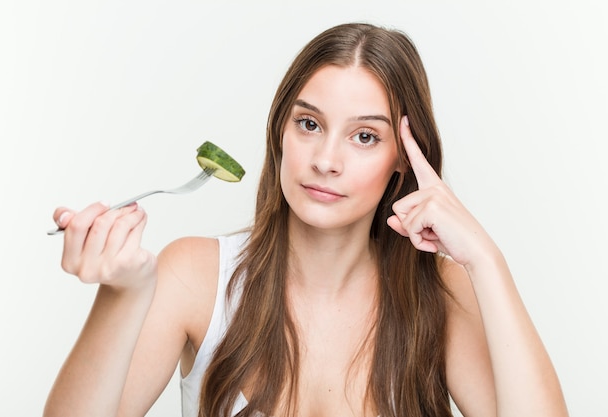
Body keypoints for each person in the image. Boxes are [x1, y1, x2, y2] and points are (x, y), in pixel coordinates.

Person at [44, 22, 569, 417]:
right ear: (281, 132)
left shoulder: (444, 295)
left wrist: (486, 259)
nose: (325, 160)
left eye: (365, 136)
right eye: (309, 123)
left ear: (403, 159)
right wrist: (123, 294)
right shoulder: (194, 276)